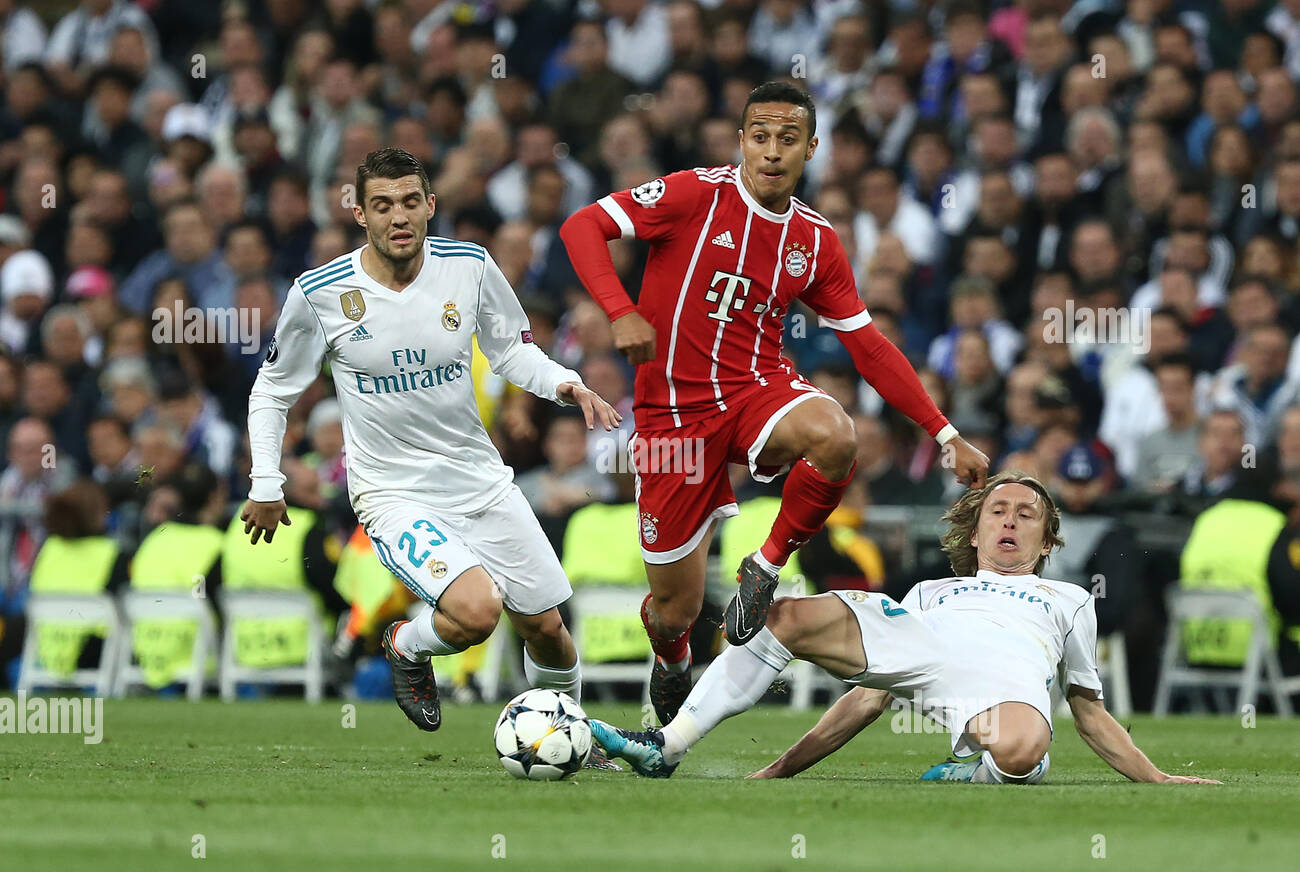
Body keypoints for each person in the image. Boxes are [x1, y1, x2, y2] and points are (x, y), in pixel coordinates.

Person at [560, 81, 990, 725]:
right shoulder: (693, 194)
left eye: (787, 138)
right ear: (740, 141)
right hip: (671, 420)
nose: (771, 150)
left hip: (757, 390)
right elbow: (582, 225)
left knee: (836, 435)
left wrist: (945, 432)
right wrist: (619, 312)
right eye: (758, 136)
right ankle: (674, 659)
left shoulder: (815, 241)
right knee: (673, 607)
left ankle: (764, 565)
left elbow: (868, 346)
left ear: (811, 148)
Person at [243, 148, 621, 737]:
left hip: (478, 477)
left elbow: (510, 349)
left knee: (546, 626)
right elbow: (272, 390)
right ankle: (404, 644)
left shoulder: (469, 266)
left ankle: (572, 735)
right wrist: (267, 481)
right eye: (383, 205)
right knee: (476, 611)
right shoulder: (319, 294)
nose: (399, 217)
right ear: (361, 216)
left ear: (431, 207)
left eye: (410, 202)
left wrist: (563, 384)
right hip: (394, 492)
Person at [590, 472, 1221, 786]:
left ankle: (972, 761)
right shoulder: (929, 591)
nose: (1009, 519)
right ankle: (666, 744)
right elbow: (867, 698)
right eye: (997, 508)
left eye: (1027, 514)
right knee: (783, 615)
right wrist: (779, 769)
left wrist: (1157, 777)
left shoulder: (1067, 599)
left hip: (1003, 684)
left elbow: (1089, 712)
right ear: (974, 532)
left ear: (1047, 539)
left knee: (1026, 747)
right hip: (922, 638)